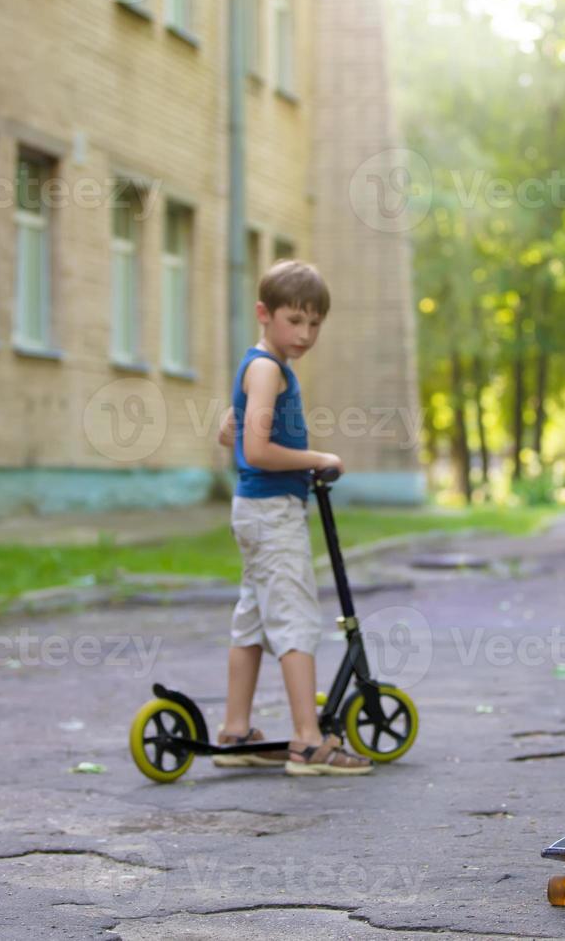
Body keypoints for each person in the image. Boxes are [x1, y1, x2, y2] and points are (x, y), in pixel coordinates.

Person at [214, 259, 373, 776]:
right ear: (264, 313)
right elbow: (255, 451)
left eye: (314, 324)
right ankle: (309, 741)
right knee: (296, 619)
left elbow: (230, 430)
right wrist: (317, 459)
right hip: (271, 511)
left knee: (254, 620)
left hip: (257, 510)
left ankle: (236, 730)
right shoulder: (267, 369)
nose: (304, 334)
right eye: (294, 321)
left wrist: (245, 427)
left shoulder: (261, 366)